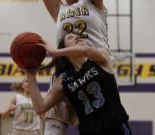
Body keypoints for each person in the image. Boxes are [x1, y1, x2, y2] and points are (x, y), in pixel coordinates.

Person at [24, 33, 132, 135]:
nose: (78, 37)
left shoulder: (100, 58)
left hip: (116, 127)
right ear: (64, 48)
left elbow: (86, 51)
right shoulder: (64, 78)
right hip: (89, 131)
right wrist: (30, 74)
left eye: (79, 36)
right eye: (71, 37)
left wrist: (56, 52)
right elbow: (40, 108)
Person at [42, 0, 115, 134]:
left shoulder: (93, 4)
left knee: (103, 123)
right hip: (67, 72)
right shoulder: (60, 9)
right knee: (54, 118)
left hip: (96, 69)